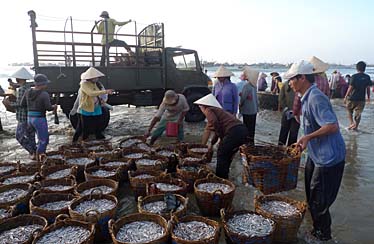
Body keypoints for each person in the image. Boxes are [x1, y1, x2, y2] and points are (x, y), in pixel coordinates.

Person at [285, 60, 345, 241]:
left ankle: (323, 236)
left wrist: (308, 137)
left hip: (329, 159)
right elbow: (311, 126)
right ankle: (316, 231)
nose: (289, 83)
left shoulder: (315, 97)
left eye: (292, 79)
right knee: (312, 199)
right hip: (315, 155)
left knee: (319, 203)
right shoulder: (306, 97)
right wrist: (305, 142)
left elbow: (332, 126)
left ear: (302, 78)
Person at [194, 94, 249, 179]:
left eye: (200, 107)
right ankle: (225, 176)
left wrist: (221, 136)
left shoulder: (208, 110)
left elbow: (215, 123)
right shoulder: (219, 111)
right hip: (242, 131)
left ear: (203, 106)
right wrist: (212, 143)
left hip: (234, 131)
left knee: (222, 153)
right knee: (228, 154)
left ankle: (220, 178)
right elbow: (217, 129)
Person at [21, 74, 57, 161]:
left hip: (30, 118)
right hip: (39, 119)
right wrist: (54, 107)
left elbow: (23, 104)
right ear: (43, 84)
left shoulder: (27, 92)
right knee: (43, 140)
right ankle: (39, 158)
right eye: (46, 84)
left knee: (31, 137)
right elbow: (48, 108)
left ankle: (34, 154)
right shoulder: (44, 94)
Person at [72, 67, 114, 143]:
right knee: (82, 128)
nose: (97, 78)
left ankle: (99, 139)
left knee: (98, 125)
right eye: (96, 77)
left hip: (96, 107)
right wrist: (105, 91)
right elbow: (91, 93)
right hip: (85, 108)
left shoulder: (95, 84)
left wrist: (102, 99)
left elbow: (98, 93)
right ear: (91, 77)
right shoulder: (84, 85)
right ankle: (77, 142)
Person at [7, 68, 36, 159]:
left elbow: (20, 104)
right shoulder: (28, 87)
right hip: (30, 116)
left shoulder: (22, 90)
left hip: (23, 117)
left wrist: (9, 104)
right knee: (31, 136)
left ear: (18, 79)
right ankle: (35, 153)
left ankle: (32, 151)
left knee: (19, 136)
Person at [344, 61, 372, 130]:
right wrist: (368, 97)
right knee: (358, 113)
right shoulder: (367, 77)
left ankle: (351, 123)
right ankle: (356, 127)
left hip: (352, 98)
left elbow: (350, 87)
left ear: (357, 68)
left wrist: (345, 96)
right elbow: (368, 88)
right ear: (364, 68)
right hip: (361, 99)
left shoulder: (354, 76)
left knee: (349, 110)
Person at [239, 66, 259, 145]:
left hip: (247, 110)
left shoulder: (246, 86)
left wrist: (240, 104)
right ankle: (251, 143)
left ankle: (247, 144)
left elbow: (243, 98)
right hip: (254, 110)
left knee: (247, 128)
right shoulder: (253, 86)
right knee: (252, 129)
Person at [277, 78, 299, 146]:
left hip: (288, 111)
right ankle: (290, 151)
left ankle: (280, 149)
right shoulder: (299, 83)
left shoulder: (285, 84)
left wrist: (285, 107)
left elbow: (281, 98)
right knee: (293, 133)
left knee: (284, 131)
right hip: (295, 112)